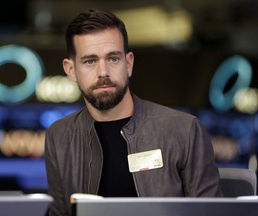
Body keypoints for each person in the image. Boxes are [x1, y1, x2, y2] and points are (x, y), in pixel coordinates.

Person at [44, 8, 223, 216]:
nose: (103, 72)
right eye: (90, 61)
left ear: (128, 63)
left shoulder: (184, 130)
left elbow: (211, 213)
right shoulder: (59, 136)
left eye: (113, 59)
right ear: (71, 70)